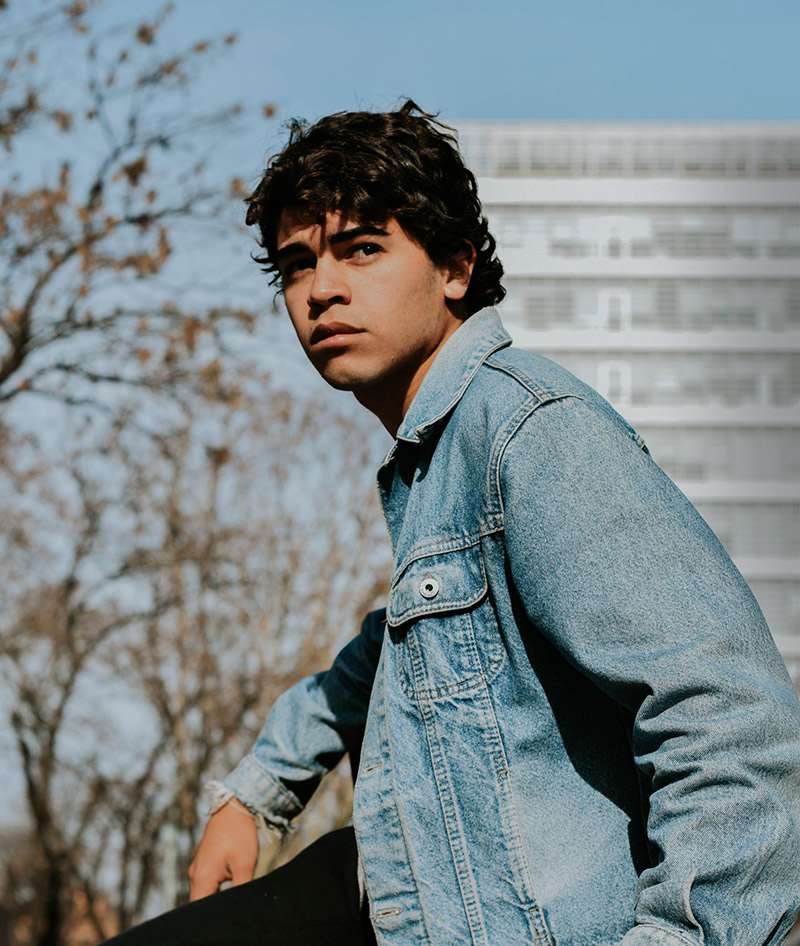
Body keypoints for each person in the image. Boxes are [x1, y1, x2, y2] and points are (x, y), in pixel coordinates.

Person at [107, 102, 800, 946]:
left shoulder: (531, 432)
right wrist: (255, 794)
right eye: (296, 264)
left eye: (363, 248)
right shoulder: (437, 463)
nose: (321, 289)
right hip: (409, 890)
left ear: (455, 268)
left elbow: (734, 727)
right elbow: (393, 651)